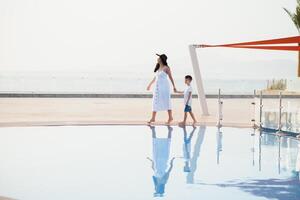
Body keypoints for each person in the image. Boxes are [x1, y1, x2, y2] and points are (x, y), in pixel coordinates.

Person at [147, 54, 177, 124]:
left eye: (159, 58)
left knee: (166, 101)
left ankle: (170, 117)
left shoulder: (166, 68)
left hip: (164, 87)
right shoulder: (158, 68)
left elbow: (170, 77)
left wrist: (174, 86)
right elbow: (155, 78)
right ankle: (153, 118)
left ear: (161, 59)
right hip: (157, 87)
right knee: (155, 101)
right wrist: (150, 85)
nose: (157, 59)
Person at [147, 125, 175, 197]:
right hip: (163, 160)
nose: (155, 189)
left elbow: (154, 170)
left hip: (156, 160)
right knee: (166, 145)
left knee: (155, 145)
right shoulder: (163, 181)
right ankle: (170, 130)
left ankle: (153, 129)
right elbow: (168, 171)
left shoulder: (156, 181)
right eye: (157, 189)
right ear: (159, 188)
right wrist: (172, 162)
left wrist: (151, 161)